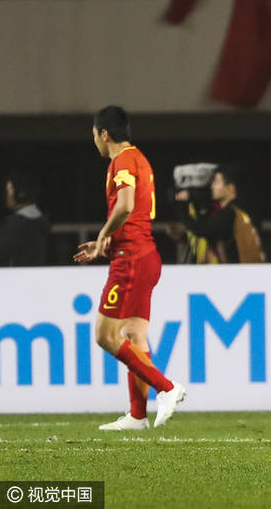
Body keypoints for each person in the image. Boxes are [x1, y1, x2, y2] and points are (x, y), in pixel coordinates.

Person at [74, 105, 186, 431]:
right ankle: (138, 416)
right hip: (146, 254)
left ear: (104, 134)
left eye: (94, 134)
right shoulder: (139, 158)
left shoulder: (121, 161)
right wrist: (109, 239)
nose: (94, 140)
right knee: (135, 336)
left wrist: (103, 235)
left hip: (131, 259)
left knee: (105, 336)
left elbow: (124, 205)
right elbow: (132, 210)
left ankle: (167, 388)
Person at [174, 165, 265, 264]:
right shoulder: (244, 210)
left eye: (216, 182)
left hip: (240, 273)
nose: (212, 186)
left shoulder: (230, 213)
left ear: (230, 188)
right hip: (254, 270)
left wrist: (182, 207)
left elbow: (201, 229)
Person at [0, 171, 49, 266]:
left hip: (17, 278)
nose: (7, 195)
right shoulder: (41, 220)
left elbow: (0, 253)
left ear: (20, 193)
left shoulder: (16, 224)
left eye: (10, 190)